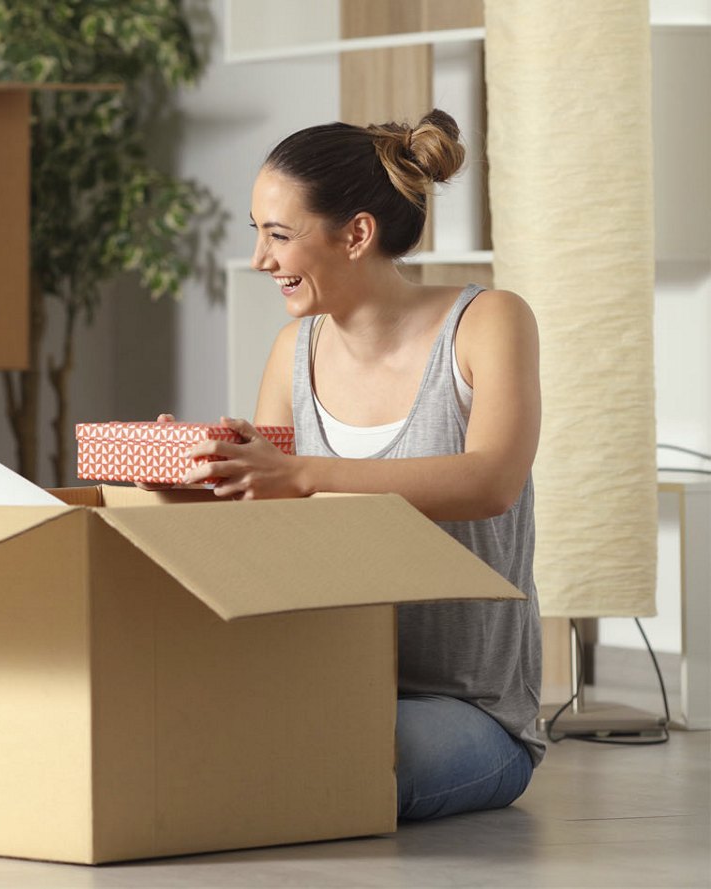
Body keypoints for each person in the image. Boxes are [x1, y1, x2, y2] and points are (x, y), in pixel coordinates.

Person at [179, 109, 543, 821]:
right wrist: (208, 460)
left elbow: (491, 479)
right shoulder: (294, 352)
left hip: (468, 709)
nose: (260, 259)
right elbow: (272, 527)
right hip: (326, 679)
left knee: (320, 764)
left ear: (356, 234)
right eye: (257, 233)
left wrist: (307, 474)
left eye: (278, 235)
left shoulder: (489, 322)